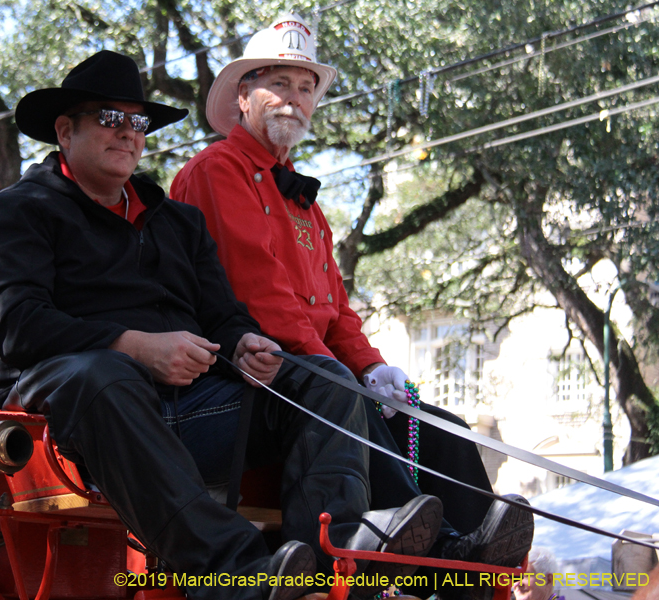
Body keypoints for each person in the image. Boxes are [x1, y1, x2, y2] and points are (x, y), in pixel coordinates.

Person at [0, 49, 451, 600]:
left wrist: (244, 346)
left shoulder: (178, 223)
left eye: (138, 122)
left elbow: (223, 316)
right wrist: (134, 346)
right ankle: (239, 577)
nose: (127, 132)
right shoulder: (13, 212)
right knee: (103, 374)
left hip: (191, 407)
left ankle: (329, 568)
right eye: (110, 117)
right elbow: (14, 325)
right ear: (64, 130)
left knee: (324, 379)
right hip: (69, 419)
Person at [171, 12, 505, 537]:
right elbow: (261, 298)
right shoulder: (217, 170)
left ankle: (483, 558)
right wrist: (340, 374)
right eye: (280, 83)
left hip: (317, 370)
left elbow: (338, 312)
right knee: (345, 399)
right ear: (244, 95)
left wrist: (372, 368)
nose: (294, 98)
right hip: (251, 371)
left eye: (306, 88)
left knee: (445, 431)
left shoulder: (308, 205)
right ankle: (436, 546)